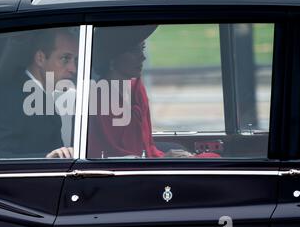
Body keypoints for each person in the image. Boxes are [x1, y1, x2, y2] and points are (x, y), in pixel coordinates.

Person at [88, 25, 219, 159]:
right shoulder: (100, 97)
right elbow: (109, 156)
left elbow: (148, 146)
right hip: (127, 171)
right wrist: (164, 160)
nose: (142, 57)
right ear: (113, 56)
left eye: (142, 48)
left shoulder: (136, 87)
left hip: (147, 161)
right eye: (134, 51)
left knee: (211, 159)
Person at [0, 28, 78, 159]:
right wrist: (47, 158)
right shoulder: (9, 98)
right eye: (65, 59)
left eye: (75, 60)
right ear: (40, 58)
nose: (74, 69)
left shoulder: (39, 94)